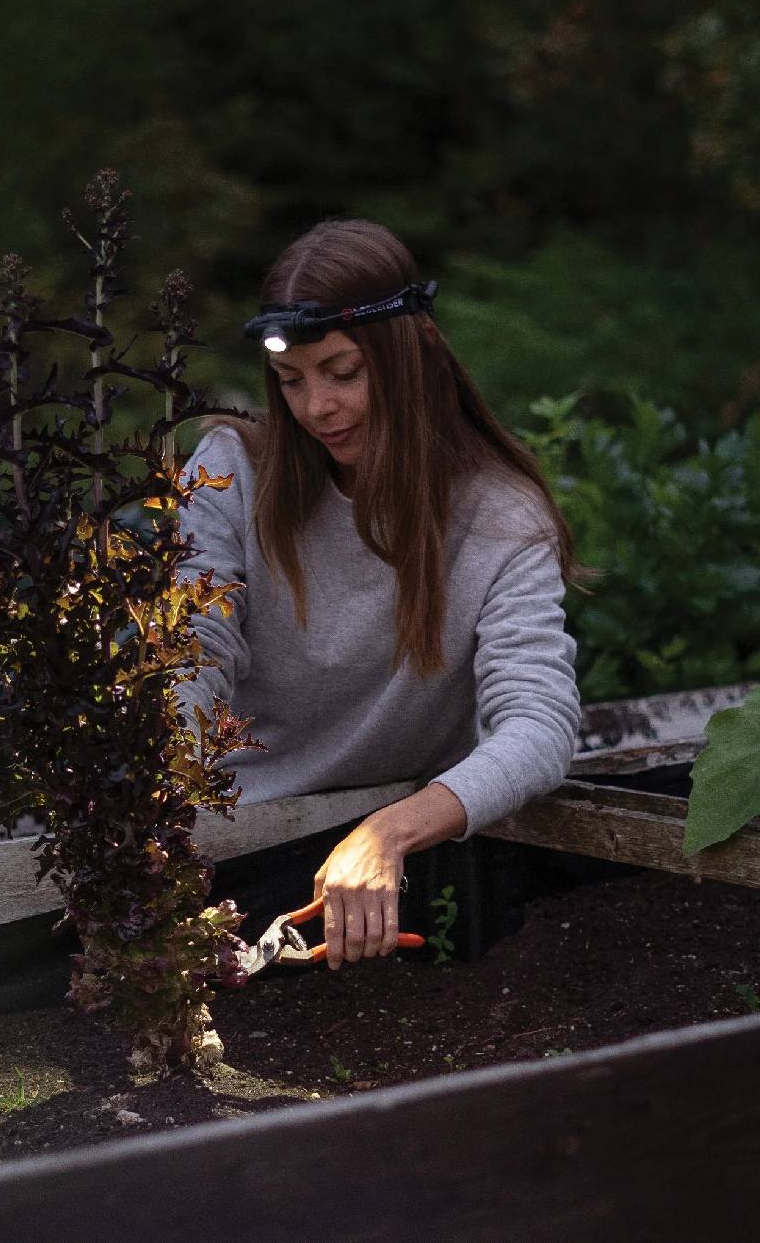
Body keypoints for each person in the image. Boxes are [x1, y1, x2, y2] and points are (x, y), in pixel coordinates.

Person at [176, 219, 581, 970]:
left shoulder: (498, 515)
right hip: (232, 842)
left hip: (407, 851)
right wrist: (163, 802)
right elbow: (193, 651)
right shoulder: (234, 470)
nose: (316, 408)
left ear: (412, 357)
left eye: (342, 372)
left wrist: (392, 831)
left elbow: (542, 721)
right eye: (291, 382)